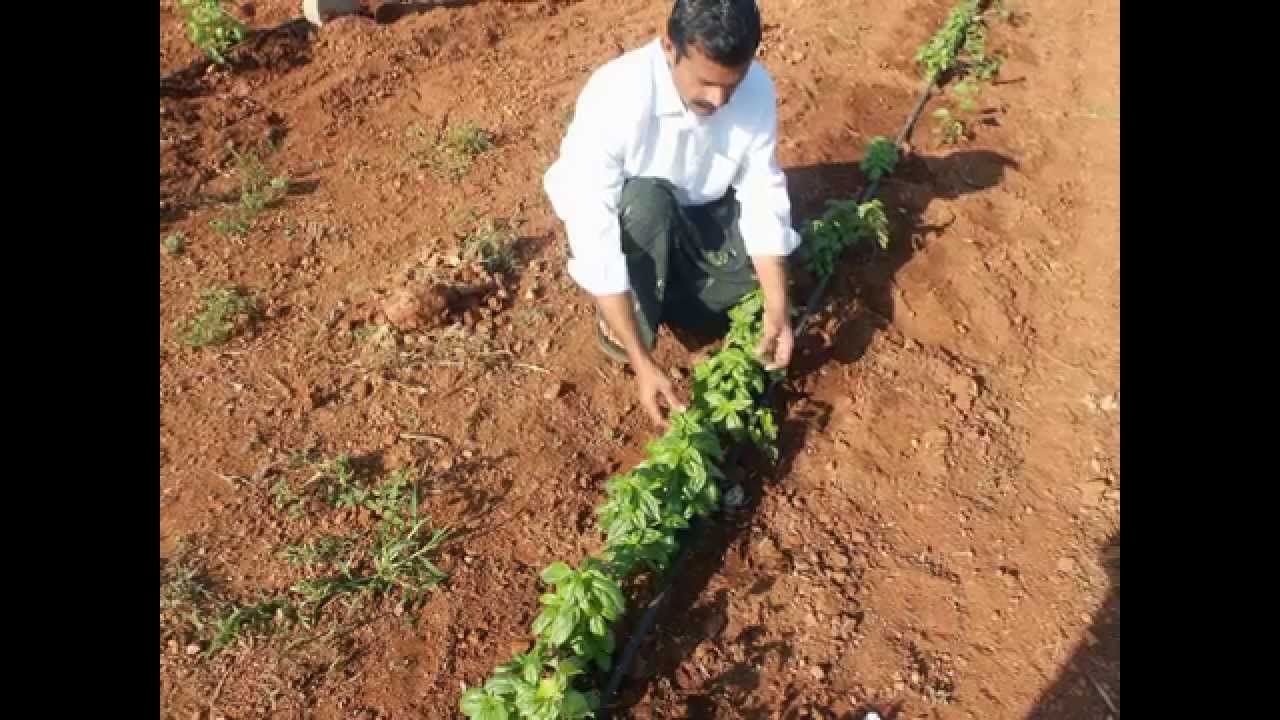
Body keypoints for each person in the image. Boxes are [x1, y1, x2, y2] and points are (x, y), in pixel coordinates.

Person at [543, 0, 802, 428]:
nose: (718, 99)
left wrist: (778, 304)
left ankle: (683, 299)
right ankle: (630, 328)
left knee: (778, 267)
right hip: (639, 221)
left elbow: (761, 190)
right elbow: (594, 227)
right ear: (669, 47)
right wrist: (642, 363)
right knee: (645, 201)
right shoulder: (618, 95)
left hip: (704, 215)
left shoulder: (755, 88)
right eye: (705, 82)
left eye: (730, 86)